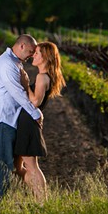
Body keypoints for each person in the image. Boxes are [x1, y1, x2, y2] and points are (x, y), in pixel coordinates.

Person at [0, 33, 42, 201]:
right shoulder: (7, 63)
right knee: (3, 161)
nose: (32, 55)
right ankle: (0, 203)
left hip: (10, 118)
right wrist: (34, 112)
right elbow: (16, 92)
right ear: (21, 46)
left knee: (12, 164)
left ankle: (8, 199)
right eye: (31, 51)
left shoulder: (15, 62)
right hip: (3, 118)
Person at [13, 41, 65, 202]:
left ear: (46, 57)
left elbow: (35, 102)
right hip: (25, 123)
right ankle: (36, 197)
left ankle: (42, 202)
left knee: (32, 167)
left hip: (28, 124)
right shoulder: (45, 76)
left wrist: (26, 84)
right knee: (17, 167)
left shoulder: (42, 77)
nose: (33, 55)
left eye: (37, 53)